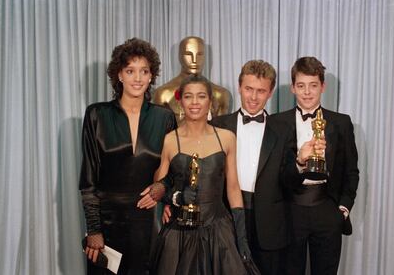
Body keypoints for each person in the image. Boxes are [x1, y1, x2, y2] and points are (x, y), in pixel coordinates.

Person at [79, 37, 177, 274]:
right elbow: (88, 181)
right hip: (106, 224)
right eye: (130, 70)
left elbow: (176, 170)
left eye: (144, 71)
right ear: (119, 75)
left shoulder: (164, 117)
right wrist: (94, 230)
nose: (138, 78)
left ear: (151, 76)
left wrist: (162, 187)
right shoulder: (97, 114)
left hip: (147, 224)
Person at [150, 75, 258, 275]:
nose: (194, 102)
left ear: (210, 101)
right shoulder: (170, 140)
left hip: (219, 230)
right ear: (180, 101)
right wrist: (174, 198)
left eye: (201, 96)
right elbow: (159, 186)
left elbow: (233, 188)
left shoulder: (226, 138)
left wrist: (241, 237)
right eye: (189, 96)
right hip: (179, 233)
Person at [273, 56, 359, 275]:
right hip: (290, 210)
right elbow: (274, 174)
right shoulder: (276, 123)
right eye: (301, 86)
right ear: (292, 88)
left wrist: (342, 209)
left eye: (313, 85)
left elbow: (351, 171)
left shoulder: (341, 123)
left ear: (323, 86)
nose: (307, 92)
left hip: (327, 209)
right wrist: (299, 162)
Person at [210, 60, 295, 274]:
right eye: (248, 89)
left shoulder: (284, 130)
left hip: (270, 224)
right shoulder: (217, 125)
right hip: (226, 218)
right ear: (239, 86)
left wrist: (301, 163)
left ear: (270, 92)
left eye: (261, 91)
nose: (254, 97)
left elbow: (289, 180)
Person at [152, 36, 230, 123]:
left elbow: (222, 132)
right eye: (188, 54)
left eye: (199, 54)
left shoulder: (221, 95)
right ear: (179, 56)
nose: (194, 60)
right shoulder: (163, 94)